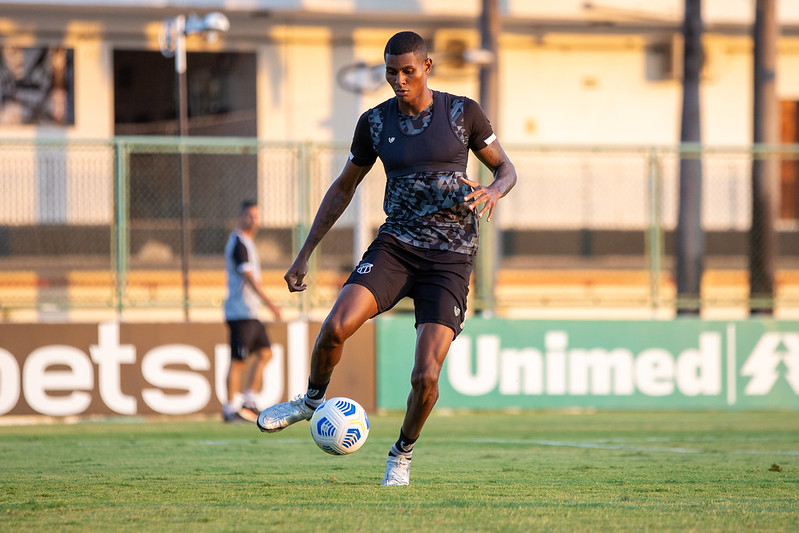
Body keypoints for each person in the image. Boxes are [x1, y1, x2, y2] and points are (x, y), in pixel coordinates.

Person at [257, 31, 516, 485]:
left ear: (427, 67)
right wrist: (304, 255)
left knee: (425, 377)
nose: (399, 80)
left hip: (450, 258)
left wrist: (495, 188)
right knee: (335, 327)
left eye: (408, 71)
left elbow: (506, 168)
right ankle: (311, 401)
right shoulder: (374, 122)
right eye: (391, 72)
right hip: (396, 245)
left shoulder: (463, 112)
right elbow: (343, 187)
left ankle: (402, 453)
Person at [223, 199, 282, 423]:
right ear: (240, 217)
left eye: (257, 216)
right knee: (238, 360)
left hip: (251, 312)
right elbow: (248, 277)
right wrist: (270, 302)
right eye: (250, 216)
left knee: (266, 353)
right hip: (240, 312)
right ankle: (229, 409)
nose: (254, 220)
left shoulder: (247, 242)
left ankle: (248, 401)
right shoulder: (238, 242)